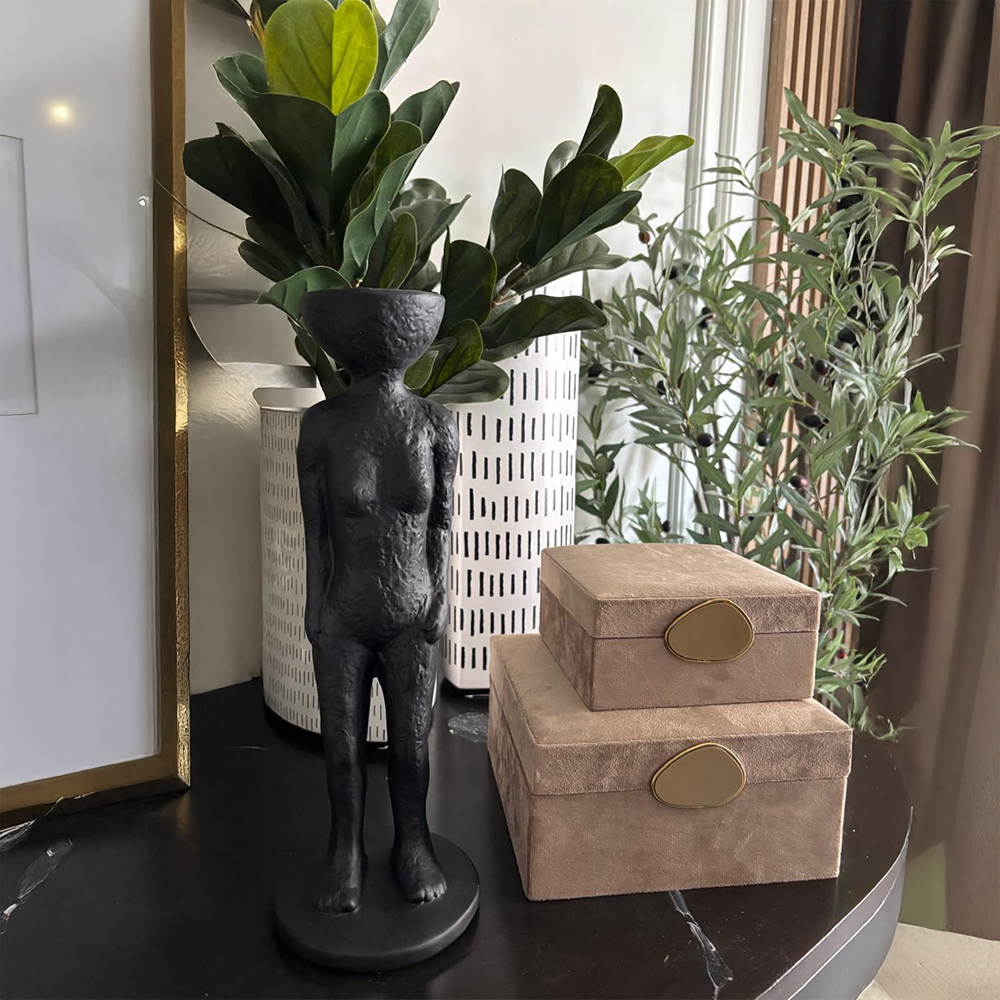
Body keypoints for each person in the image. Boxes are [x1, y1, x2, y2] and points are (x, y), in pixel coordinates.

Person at [297, 288, 457, 913]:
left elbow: (441, 521)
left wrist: (440, 594)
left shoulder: (434, 422)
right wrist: (314, 606)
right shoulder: (322, 425)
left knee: (412, 747)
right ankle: (346, 851)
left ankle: (413, 843)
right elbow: (314, 529)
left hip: (412, 614)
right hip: (344, 612)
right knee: (342, 747)